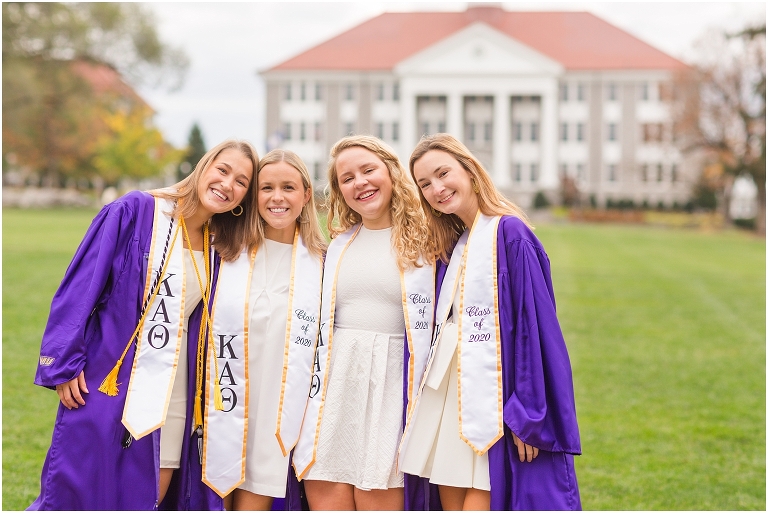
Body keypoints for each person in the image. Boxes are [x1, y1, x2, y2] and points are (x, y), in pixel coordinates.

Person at [29, 140, 260, 510]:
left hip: (176, 385)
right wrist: (63, 360)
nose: (228, 184)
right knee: (86, 486)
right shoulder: (138, 210)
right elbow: (81, 285)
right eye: (223, 170)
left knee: (152, 491)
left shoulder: (220, 244)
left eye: (242, 181)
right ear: (203, 167)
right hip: (112, 373)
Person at [400, 134, 581, 511]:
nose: (437, 188)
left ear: (469, 169)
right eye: (424, 184)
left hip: (490, 393)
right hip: (448, 390)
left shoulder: (511, 234)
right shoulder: (459, 241)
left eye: (443, 173)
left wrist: (530, 414)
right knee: (449, 493)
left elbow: (534, 326)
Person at [293, 135, 435, 511]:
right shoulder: (338, 245)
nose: (360, 182)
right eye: (347, 177)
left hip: (392, 386)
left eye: (368, 170)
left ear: (391, 171)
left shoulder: (429, 241)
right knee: (327, 492)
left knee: (379, 496)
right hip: (334, 388)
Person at [197, 149, 325, 510]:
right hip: (224, 397)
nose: (277, 197)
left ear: (305, 194)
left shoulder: (324, 263)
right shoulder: (224, 253)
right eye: (266, 187)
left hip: (279, 407)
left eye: (288, 187)